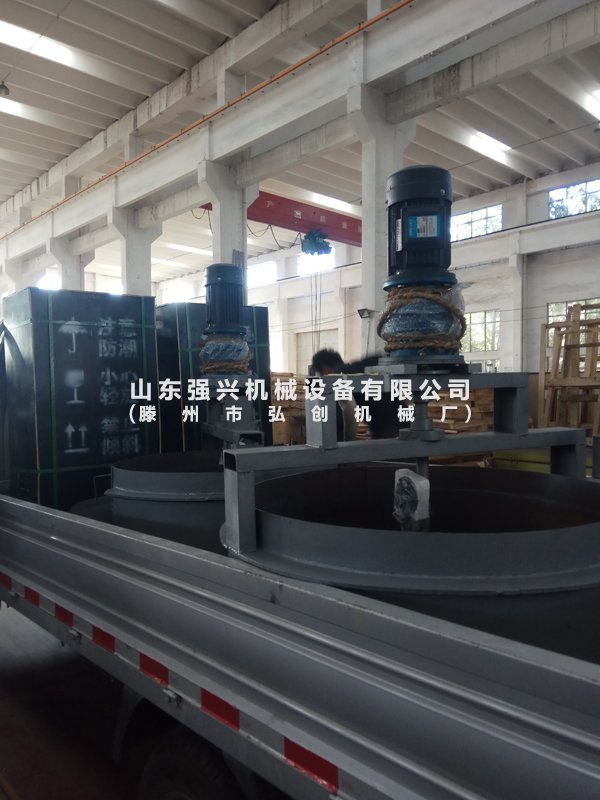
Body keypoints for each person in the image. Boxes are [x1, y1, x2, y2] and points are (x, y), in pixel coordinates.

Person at [310, 348, 405, 439]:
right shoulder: (362, 365)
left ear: (325, 370)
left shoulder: (337, 379)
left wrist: (348, 442)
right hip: (405, 421)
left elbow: (349, 413)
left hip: (386, 431)